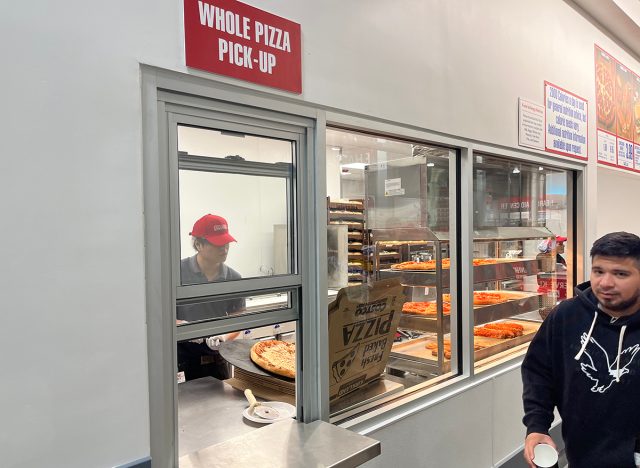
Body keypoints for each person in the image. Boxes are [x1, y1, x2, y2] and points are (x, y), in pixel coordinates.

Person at [522, 231, 640, 468]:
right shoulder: (566, 316)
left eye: (620, 274)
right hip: (581, 456)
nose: (605, 283)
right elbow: (539, 373)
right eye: (598, 271)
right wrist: (536, 427)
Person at [177, 214, 245, 381]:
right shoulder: (177, 273)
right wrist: (187, 329)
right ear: (198, 244)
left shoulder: (233, 278)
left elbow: (239, 319)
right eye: (218, 244)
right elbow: (160, 314)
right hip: (182, 362)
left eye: (226, 243)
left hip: (218, 362)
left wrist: (224, 336)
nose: (225, 249)